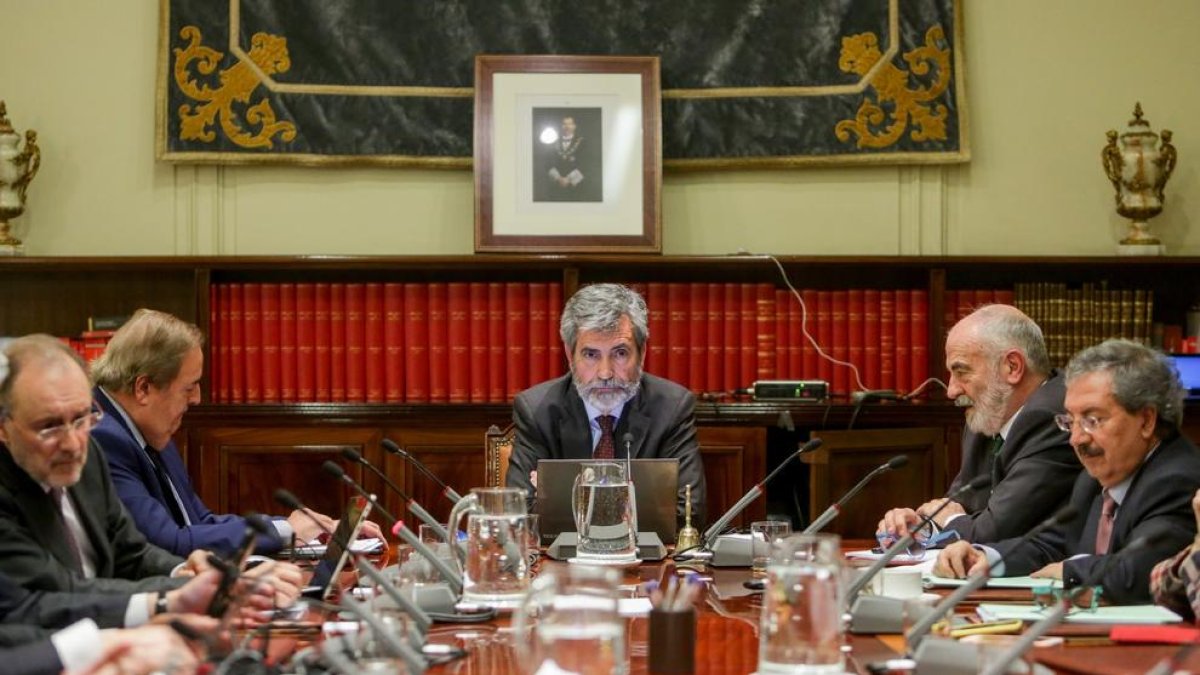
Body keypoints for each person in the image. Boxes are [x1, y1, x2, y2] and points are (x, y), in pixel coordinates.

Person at [90, 309, 376, 557]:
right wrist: (285, 530)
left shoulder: (150, 429)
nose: (197, 399)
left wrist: (304, 528)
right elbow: (168, 542)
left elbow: (200, 522)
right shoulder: (103, 439)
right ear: (143, 388)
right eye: (189, 387)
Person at [934, 339, 1200, 605]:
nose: (1076, 439)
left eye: (1092, 420)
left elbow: (1137, 572)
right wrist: (986, 557)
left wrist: (1068, 570)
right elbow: (1053, 544)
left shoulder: (1177, 480)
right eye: (1070, 422)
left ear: (1146, 421)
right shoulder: (1095, 477)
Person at [876, 305, 1079, 545]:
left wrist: (949, 520)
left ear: (1012, 366)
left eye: (962, 372)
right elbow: (959, 507)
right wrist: (918, 526)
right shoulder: (990, 414)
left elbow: (994, 532)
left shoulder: (1054, 417)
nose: (951, 391)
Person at [506, 283, 706, 525]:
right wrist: (638, 506)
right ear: (570, 354)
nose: (605, 373)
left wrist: (562, 500)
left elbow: (689, 514)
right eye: (591, 355)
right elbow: (518, 514)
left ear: (642, 353)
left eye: (620, 353)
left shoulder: (672, 409)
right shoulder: (537, 411)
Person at [536, 114, 601, 203]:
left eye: (570, 124)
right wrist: (558, 178)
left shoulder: (583, 142)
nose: (567, 127)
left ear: (574, 126)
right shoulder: (553, 141)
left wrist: (569, 179)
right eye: (564, 124)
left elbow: (586, 163)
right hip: (556, 186)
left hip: (576, 186)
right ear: (561, 126)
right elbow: (547, 162)